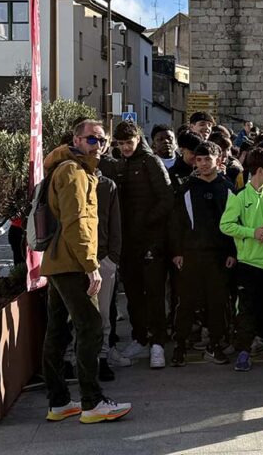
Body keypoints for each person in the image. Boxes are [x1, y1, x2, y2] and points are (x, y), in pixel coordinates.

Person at [40, 119, 131, 424]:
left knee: (57, 330)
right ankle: (92, 402)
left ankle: (60, 402)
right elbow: (77, 222)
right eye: (92, 139)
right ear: (76, 141)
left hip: (59, 262)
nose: (99, 145)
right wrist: (91, 267)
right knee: (90, 327)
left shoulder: (75, 170)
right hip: (72, 263)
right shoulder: (73, 172)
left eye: (102, 140)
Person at [108, 121, 173, 369]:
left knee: (154, 293)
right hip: (126, 242)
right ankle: (140, 337)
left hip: (151, 240)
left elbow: (167, 199)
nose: (125, 147)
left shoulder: (151, 162)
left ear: (138, 139)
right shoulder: (119, 163)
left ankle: (158, 343)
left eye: (129, 142)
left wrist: (147, 221)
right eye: (121, 143)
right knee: (133, 294)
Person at [220, 148, 263, 373]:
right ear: (259, 170)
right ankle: (244, 351)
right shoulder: (240, 197)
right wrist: (252, 232)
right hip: (249, 264)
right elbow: (226, 225)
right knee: (247, 310)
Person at [170, 142, 237, 367]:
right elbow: (177, 222)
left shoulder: (227, 188)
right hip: (191, 255)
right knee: (187, 302)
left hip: (219, 256)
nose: (203, 164)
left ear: (219, 160)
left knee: (218, 302)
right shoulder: (187, 188)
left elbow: (235, 224)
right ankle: (179, 345)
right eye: (199, 160)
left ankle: (215, 345)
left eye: (208, 159)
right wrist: (177, 251)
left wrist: (231, 252)